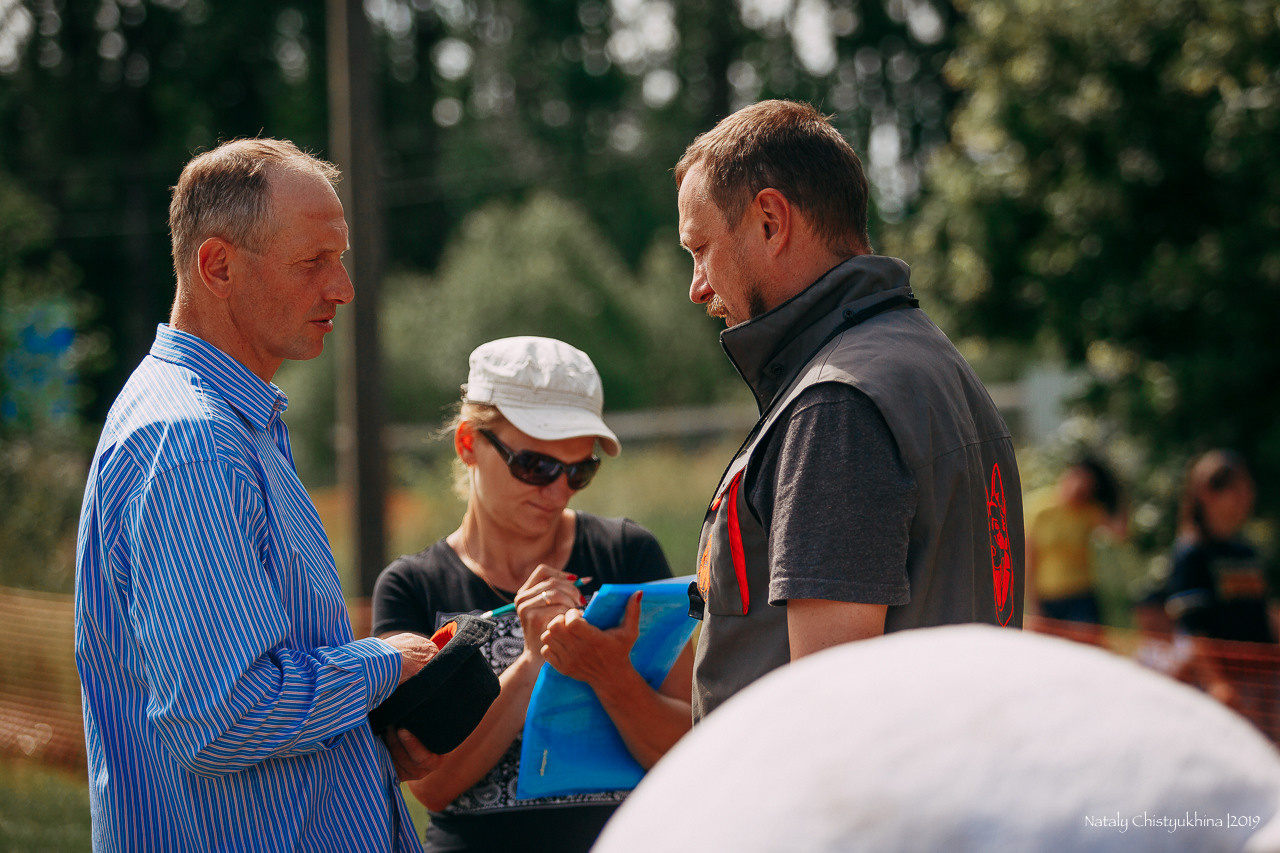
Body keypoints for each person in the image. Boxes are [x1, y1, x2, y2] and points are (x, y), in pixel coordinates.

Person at [75, 139, 442, 853]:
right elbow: (221, 716)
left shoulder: (222, 420)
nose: (342, 287)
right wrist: (385, 662)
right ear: (217, 266)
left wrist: (362, 750)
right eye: (313, 262)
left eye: (339, 259)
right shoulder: (193, 442)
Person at [675, 99, 1024, 721]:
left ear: (770, 221)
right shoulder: (934, 364)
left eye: (701, 248)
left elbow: (832, 715)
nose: (698, 286)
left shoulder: (836, 405)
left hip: (846, 815)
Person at [372, 336, 693, 853]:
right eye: (536, 466)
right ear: (468, 444)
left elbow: (690, 749)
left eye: (579, 470)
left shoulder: (628, 555)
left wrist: (609, 676)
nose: (558, 490)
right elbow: (429, 784)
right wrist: (531, 663)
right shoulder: (412, 586)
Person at [1166, 450, 1275, 644]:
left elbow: (1264, 616)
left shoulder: (1246, 552)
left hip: (1260, 672)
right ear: (1207, 493)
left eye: (1248, 490)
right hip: (1221, 672)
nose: (1247, 499)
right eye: (1237, 491)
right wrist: (1216, 676)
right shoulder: (1192, 554)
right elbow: (1195, 634)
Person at [1025, 456, 1127, 624]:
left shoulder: (1088, 511)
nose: (1078, 492)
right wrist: (1034, 607)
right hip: (1048, 596)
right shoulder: (1039, 508)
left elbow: (1120, 534)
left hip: (1081, 596)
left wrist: (1118, 491)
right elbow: (1030, 559)